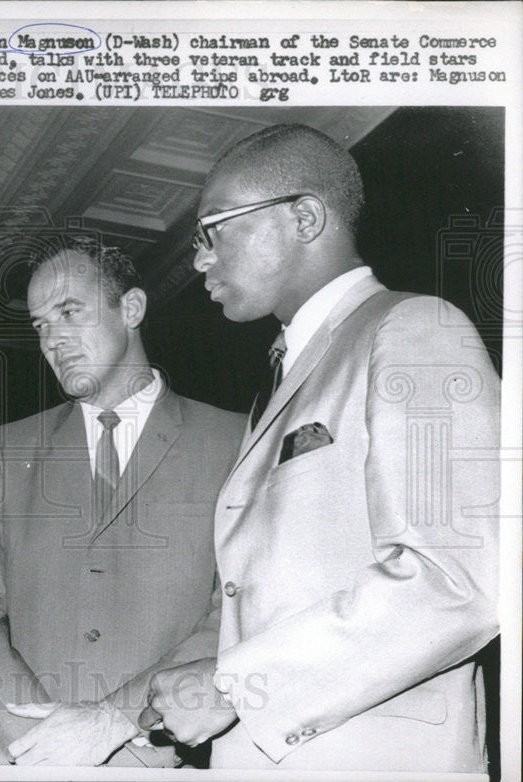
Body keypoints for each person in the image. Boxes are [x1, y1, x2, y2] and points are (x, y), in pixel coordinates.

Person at [139, 124, 500, 773]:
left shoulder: (417, 330)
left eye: (212, 230)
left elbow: (458, 577)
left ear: (305, 216)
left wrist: (234, 687)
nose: (197, 260)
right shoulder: (283, 378)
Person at [0, 238, 245, 767]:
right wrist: (32, 743)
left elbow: (240, 606)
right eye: (40, 325)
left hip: (171, 755)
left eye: (69, 312)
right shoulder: (11, 448)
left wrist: (116, 721)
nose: (53, 339)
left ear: (130, 308)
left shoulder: (236, 440)